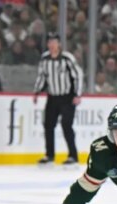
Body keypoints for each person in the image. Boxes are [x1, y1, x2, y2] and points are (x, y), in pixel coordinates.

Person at [33, 32, 83, 166]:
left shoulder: (67, 58)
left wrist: (77, 94)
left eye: (54, 42)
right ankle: (49, 155)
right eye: (50, 42)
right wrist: (37, 91)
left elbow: (77, 75)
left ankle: (73, 155)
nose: (52, 45)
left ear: (59, 44)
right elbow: (42, 76)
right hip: (52, 97)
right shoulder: (45, 59)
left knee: (66, 125)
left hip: (67, 97)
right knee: (48, 125)